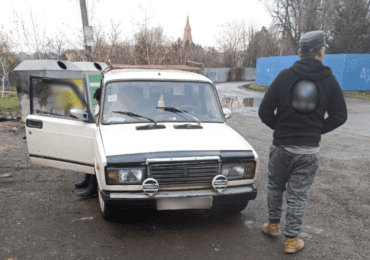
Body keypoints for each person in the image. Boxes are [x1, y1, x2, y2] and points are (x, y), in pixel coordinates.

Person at [258, 30, 348, 254]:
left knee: (275, 187)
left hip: (281, 147)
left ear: (299, 52)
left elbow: (264, 111)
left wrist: (281, 129)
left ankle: (273, 226)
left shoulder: (284, 76)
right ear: (321, 52)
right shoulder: (329, 80)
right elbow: (340, 116)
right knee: (298, 194)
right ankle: (291, 240)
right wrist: (315, 131)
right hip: (308, 152)